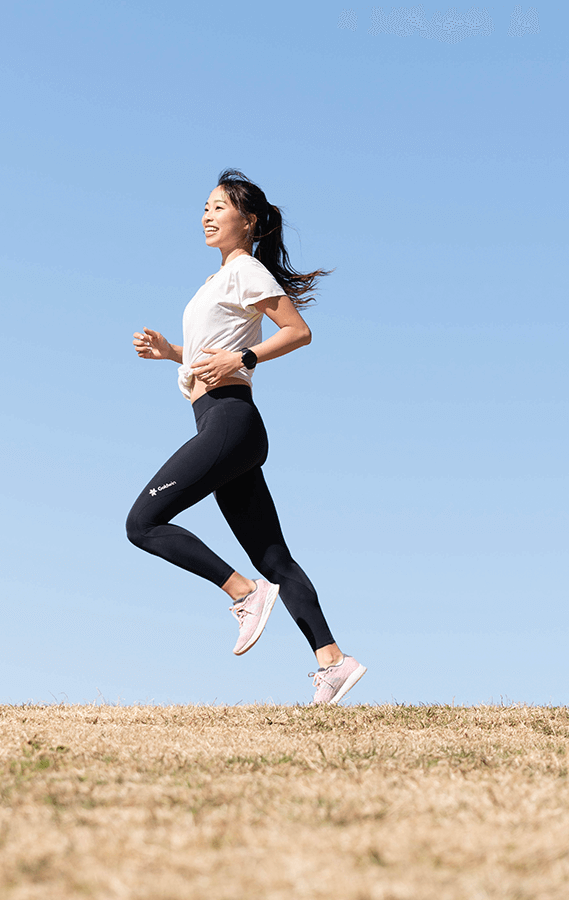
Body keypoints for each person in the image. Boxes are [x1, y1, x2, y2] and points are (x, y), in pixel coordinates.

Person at [126, 169, 366, 706]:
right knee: (275, 557)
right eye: (205, 207)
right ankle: (333, 661)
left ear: (248, 221)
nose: (207, 215)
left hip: (232, 422)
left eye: (218, 207)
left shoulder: (246, 271)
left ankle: (242, 593)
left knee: (142, 524)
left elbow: (297, 331)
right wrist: (172, 354)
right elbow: (212, 353)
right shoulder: (216, 281)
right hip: (224, 426)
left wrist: (244, 357)